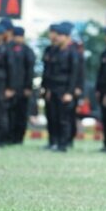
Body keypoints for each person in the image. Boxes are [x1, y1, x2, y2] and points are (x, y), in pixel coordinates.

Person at [42, 22, 80, 152]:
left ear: (67, 36)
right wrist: (47, 89)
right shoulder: (55, 51)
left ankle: (63, 144)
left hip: (64, 89)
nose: (56, 37)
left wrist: (69, 92)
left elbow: (74, 74)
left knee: (64, 119)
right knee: (53, 117)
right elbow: (49, 72)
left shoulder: (73, 52)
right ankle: (55, 142)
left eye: (59, 35)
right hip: (53, 89)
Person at [9, 27, 35, 144]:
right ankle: (10, 136)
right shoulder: (9, 49)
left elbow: (30, 71)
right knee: (11, 114)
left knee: (21, 114)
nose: (17, 39)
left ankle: (19, 138)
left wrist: (28, 87)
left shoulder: (27, 51)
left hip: (23, 88)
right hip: (11, 88)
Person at [41, 24, 59, 149]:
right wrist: (44, 87)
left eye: (53, 33)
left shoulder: (63, 51)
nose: (51, 35)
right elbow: (46, 71)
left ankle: (60, 142)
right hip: (49, 87)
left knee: (59, 118)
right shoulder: (49, 50)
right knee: (50, 116)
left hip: (60, 89)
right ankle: (52, 141)